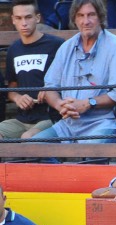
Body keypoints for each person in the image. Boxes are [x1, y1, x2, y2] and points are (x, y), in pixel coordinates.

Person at [32, 0, 116, 143]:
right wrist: (60, 105)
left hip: (105, 123)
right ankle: (62, 167)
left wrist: (87, 103)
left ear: (100, 17)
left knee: (92, 149)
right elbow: (50, 86)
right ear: (74, 19)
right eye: (80, 16)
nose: (85, 21)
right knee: (31, 146)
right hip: (68, 125)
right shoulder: (66, 47)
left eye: (91, 15)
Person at [1, 0, 64, 140]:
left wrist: (51, 89)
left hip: (50, 116)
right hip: (21, 119)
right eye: (18, 18)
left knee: (27, 138)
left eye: (28, 17)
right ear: (13, 20)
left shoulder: (56, 45)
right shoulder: (13, 49)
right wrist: (18, 98)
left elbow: (69, 78)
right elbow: (11, 88)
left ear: (37, 18)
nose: (24, 23)